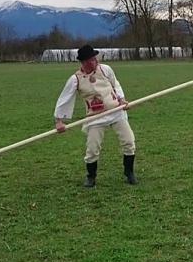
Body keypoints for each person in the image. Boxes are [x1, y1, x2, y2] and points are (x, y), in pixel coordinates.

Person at [54, 44, 138, 187]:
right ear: (84, 62)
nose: (95, 62)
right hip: (95, 117)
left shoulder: (105, 69)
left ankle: (129, 172)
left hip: (116, 111)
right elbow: (65, 99)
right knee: (92, 149)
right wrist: (59, 121)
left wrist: (122, 99)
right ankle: (91, 177)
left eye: (95, 58)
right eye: (91, 60)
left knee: (129, 142)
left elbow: (115, 84)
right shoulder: (76, 79)